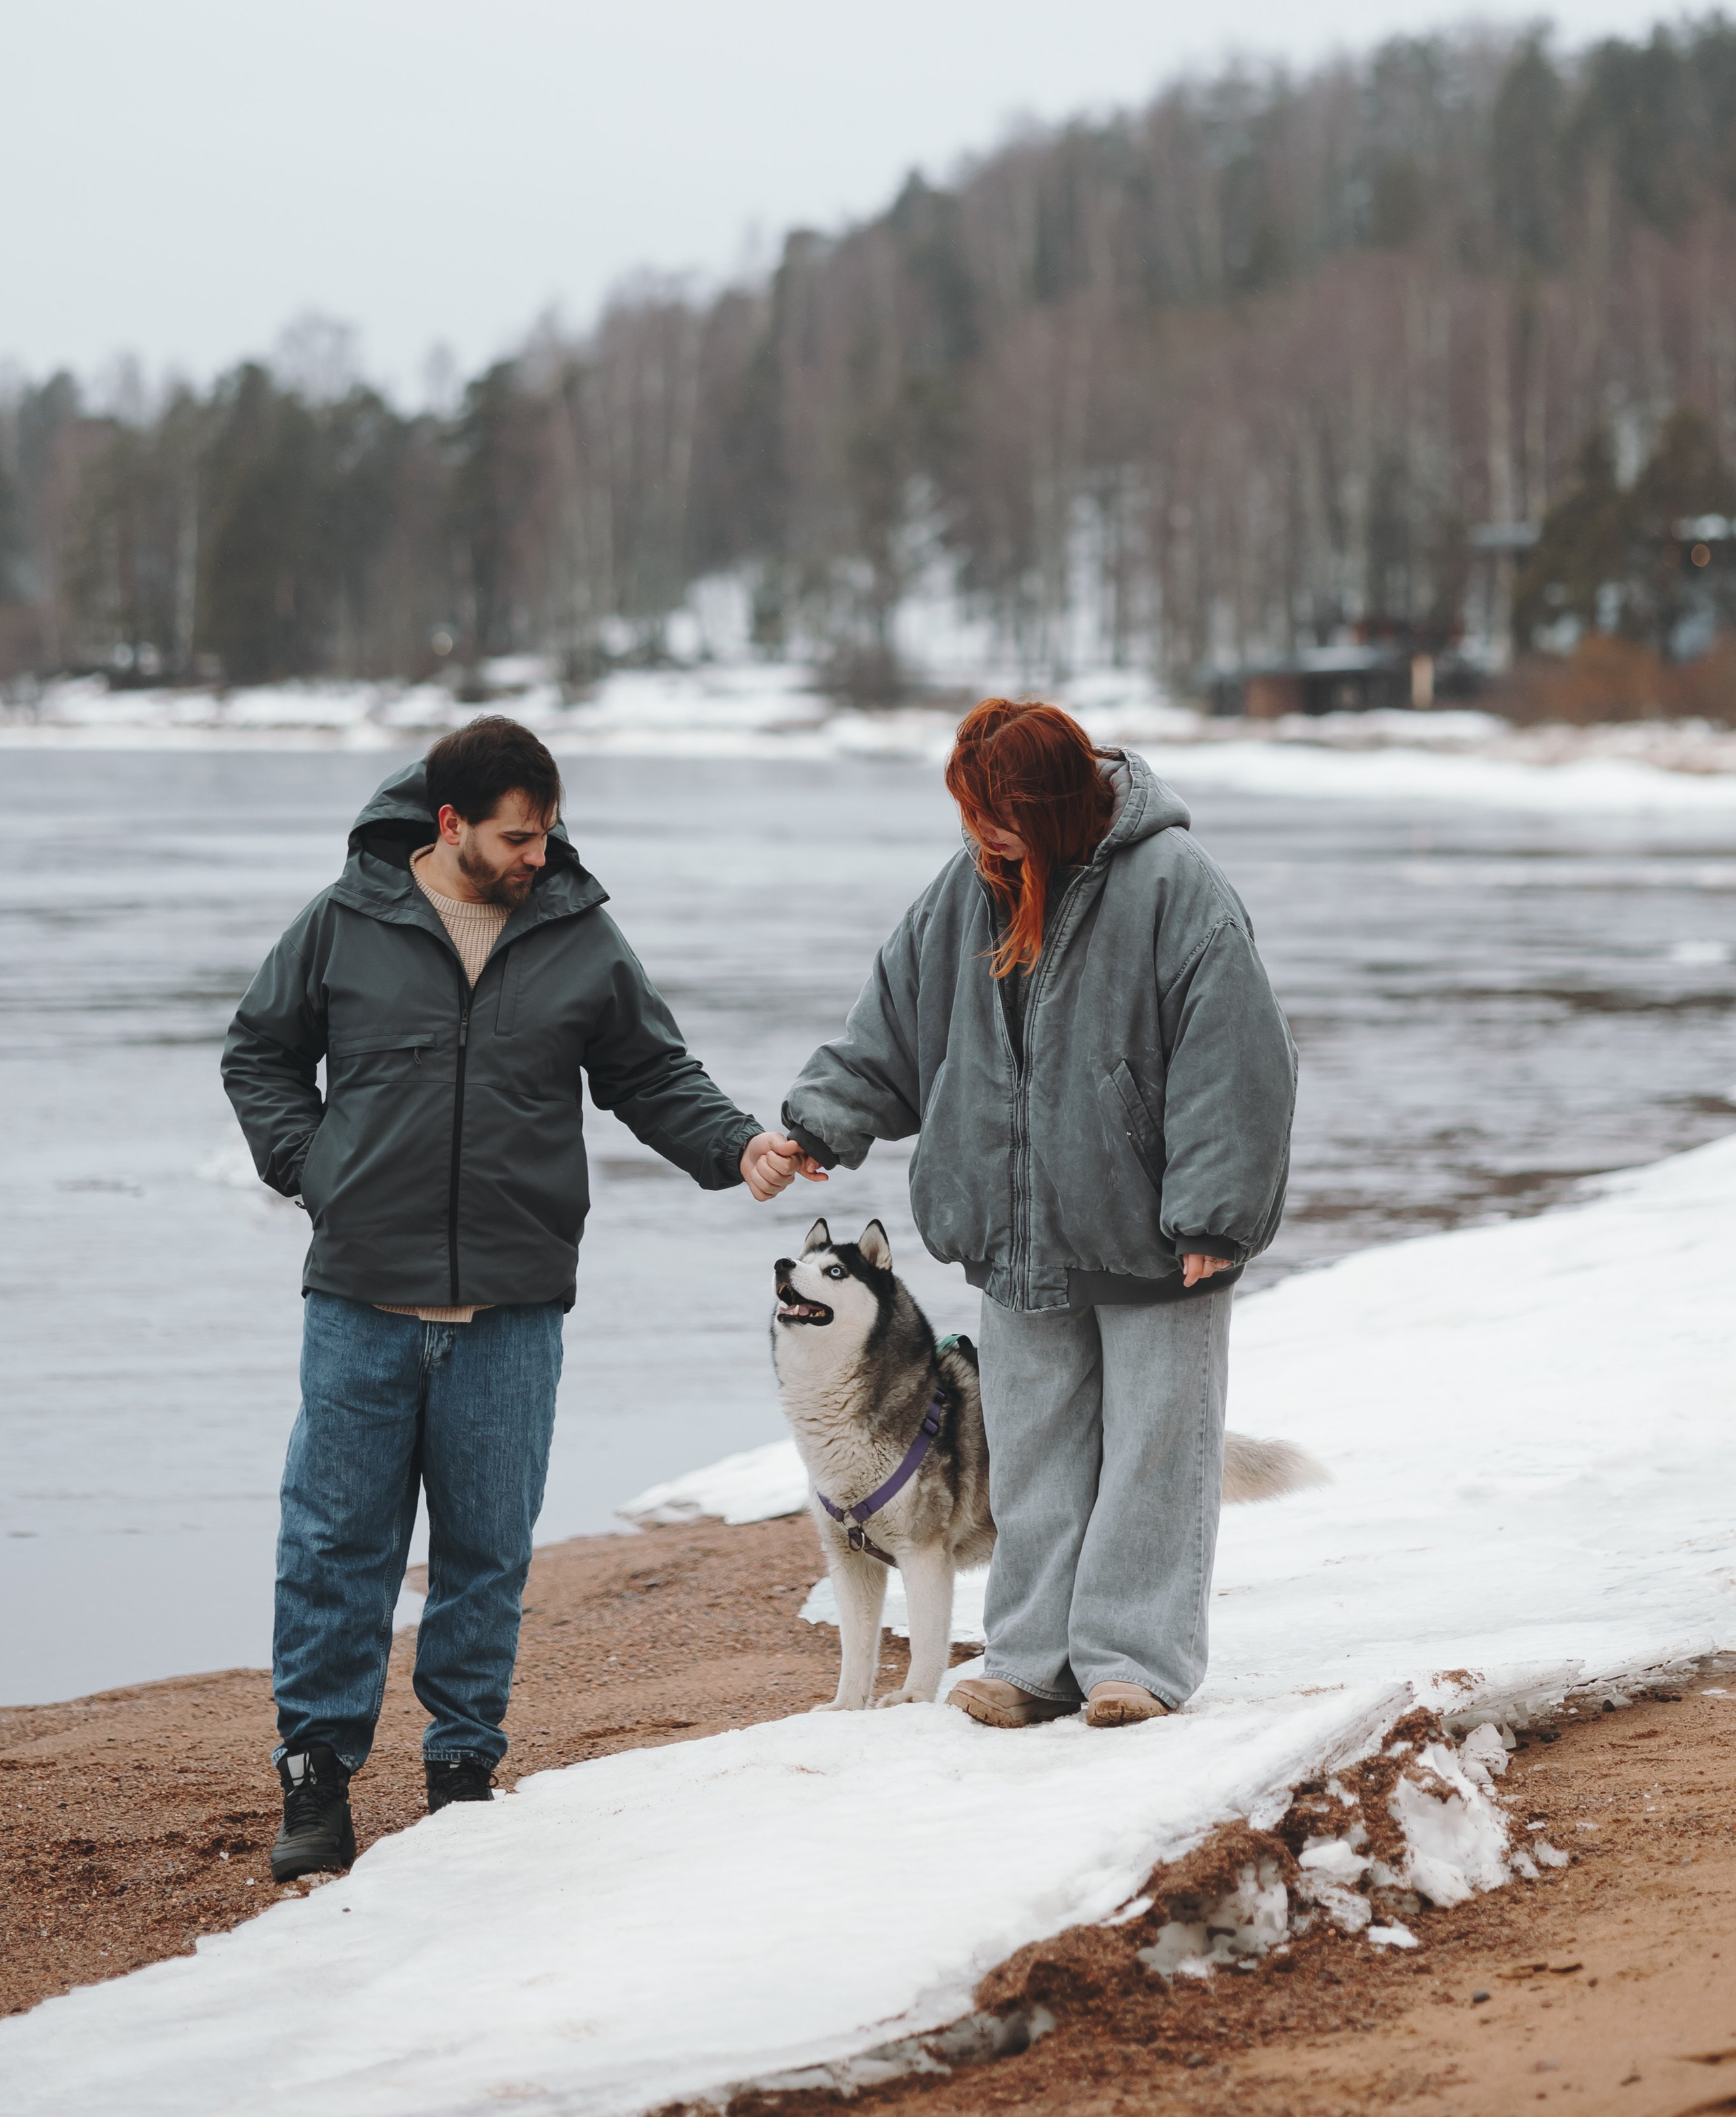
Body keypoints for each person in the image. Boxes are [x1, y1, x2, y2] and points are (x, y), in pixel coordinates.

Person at [223, 715, 814, 1879]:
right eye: (518, 835)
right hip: (363, 1293)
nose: (539, 852)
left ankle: (461, 1769)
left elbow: (650, 1070)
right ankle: (318, 1778)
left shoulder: (577, 934)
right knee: (336, 1543)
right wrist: (313, 1168)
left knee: (486, 1546)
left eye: (546, 831)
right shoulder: (347, 919)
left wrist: (736, 1145)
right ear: (451, 826)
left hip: (515, 1300)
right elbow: (260, 1054)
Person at [781, 698, 1297, 1728]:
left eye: (998, 814)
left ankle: (1132, 1663)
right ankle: (1030, 1660)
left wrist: (1212, 1216)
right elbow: (890, 1022)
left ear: (1056, 803)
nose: (981, 835)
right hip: (1014, 1231)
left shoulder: (1176, 888)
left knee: (1156, 1446)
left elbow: (1237, 1058)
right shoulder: (965, 891)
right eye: (971, 815)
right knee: (1032, 1454)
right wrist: (817, 1125)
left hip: (1154, 1234)